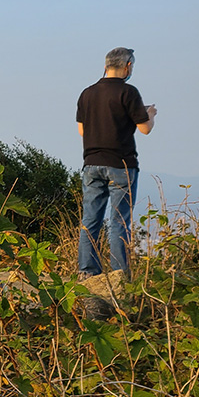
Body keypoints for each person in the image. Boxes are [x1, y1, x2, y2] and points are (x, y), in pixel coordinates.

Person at [76, 47, 157, 276]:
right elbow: (145, 129)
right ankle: (119, 273)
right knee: (119, 221)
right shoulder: (129, 92)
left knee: (90, 220)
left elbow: (82, 130)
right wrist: (149, 113)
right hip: (121, 164)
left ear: (106, 65)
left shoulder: (87, 93)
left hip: (91, 163)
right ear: (127, 66)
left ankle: (88, 271)